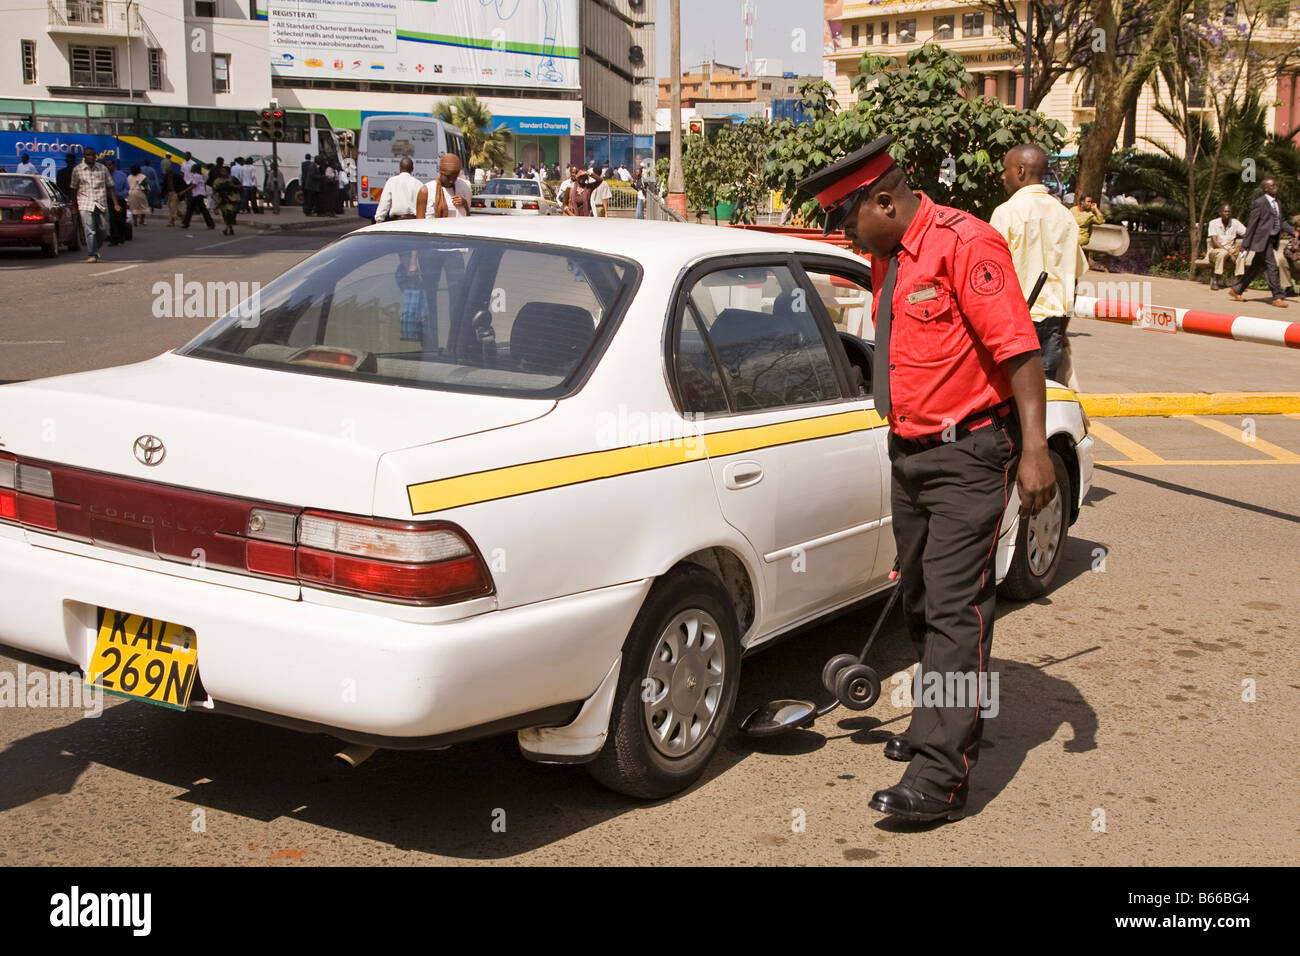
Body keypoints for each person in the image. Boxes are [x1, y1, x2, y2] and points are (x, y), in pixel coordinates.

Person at [797, 135, 1055, 823]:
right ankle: (935, 721)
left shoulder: (966, 246)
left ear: (886, 200)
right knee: (914, 596)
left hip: (970, 453)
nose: (846, 239)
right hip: (909, 452)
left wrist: (1036, 451)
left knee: (952, 610)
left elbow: (1020, 350)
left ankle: (941, 776)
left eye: (848, 222)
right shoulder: (889, 255)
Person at [991, 144, 1086, 383]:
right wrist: (1063, 330)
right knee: (1045, 397)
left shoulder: (1006, 213)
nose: (1003, 176)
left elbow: (991, 276)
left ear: (1021, 171)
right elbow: (1073, 279)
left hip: (1015, 325)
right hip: (1052, 327)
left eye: (1006, 169)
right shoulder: (1065, 215)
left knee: (1012, 399)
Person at [1229, 177, 1293, 308]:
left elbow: (1281, 222)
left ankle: (1236, 290)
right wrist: (1245, 244)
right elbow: (1252, 225)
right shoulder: (1259, 203)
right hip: (1262, 240)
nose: (1275, 186)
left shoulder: (1277, 203)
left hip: (1271, 240)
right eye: (1272, 185)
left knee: (1255, 267)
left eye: (1275, 184)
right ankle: (1277, 296)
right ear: (1265, 188)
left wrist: (1294, 232)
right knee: (1272, 267)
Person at [68, 146, 120, 263]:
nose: (90, 157)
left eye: (92, 155)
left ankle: (95, 248)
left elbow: (111, 186)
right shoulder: (77, 170)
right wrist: (74, 206)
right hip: (85, 203)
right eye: (88, 155)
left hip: (101, 203)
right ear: (84, 156)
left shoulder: (103, 169)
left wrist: (116, 204)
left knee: (104, 229)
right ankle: (92, 254)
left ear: (96, 156)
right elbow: (73, 188)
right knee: (90, 230)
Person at [417, 153, 472, 218]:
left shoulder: (464, 187)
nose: (451, 180)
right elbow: (419, 221)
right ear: (440, 171)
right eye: (448, 177)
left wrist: (464, 204)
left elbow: (468, 217)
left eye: (454, 177)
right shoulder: (426, 191)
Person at [1206, 204, 1247, 291]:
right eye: (1225, 211)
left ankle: (1238, 279)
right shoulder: (1213, 223)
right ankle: (1216, 279)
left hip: (1231, 249)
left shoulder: (1235, 222)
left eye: (1229, 211)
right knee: (1222, 253)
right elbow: (1215, 242)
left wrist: (1243, 245)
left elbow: (1247, 233)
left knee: (1243, 253)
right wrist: (1230, 253)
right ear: (1220, 213)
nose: (1227, 213)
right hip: (1216, 251)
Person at [373, 156, 422, 221]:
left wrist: (379, 219)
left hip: (396, 221)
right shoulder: (419, 184)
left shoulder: (391, 181)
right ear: (412, 169)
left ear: (400, 168)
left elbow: (384, 202)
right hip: (413, 221)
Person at [1070, 195, 1107, 271]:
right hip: (1071, 235)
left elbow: (1101, 221)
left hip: (1082, 237)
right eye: (1088, 201)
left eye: (1091, 202)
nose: (1090, 204)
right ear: (1082, 202)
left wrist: (1096, 209)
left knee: (1072, 243)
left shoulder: (1090, 214)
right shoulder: (1072, 210)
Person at [181, 162, 216, 230]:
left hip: (198, 195)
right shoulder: (199, 175)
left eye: (193, 168)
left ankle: (211, 224)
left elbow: (194, 185)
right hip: (198, 195)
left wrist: (184, 191)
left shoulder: (196, 175)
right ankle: (186, 223)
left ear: (195, 169)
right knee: (191, 209)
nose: (191, 168)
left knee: (200, 210)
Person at [211, 164, 242, 235]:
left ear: (228, 172)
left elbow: (240, 186)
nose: (223, 173)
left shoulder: (232, 179)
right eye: (222, 171)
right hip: (222, 200)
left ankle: (226, 229)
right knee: (225, 215)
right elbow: (214, 188)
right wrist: (214, 195)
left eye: (224, 171)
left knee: (230, 213)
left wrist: (233, 186)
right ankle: (230, 228)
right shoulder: (218, 180)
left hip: (232, 199)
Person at [161, 158, 185, 227]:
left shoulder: (177, 177)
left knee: (172, 207)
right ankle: (182, 216)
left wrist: (181, 192)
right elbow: (164, 186)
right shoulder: (166, 177)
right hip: (169, 194)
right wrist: (162, 194)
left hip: (175, 193)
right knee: (171, 207)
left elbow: (183, 184)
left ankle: (171, 222)